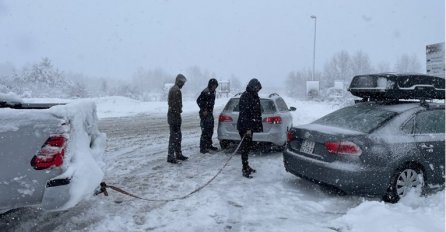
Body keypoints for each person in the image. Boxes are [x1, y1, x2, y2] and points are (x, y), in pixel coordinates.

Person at [237, 78, 263, 178]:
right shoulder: (246, 96)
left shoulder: (253, 95)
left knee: (247, 147)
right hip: (245, 127)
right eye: (256, 87)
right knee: (245, 148)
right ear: (252, 86)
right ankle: (244, 168)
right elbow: (244, 113)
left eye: (258, 88)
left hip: (250, 126)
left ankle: (246, 165)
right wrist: (247, 128)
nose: (258, 89)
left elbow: (255, 111)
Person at [167, 74, 188, 164]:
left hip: (173, 115)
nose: (183, 85)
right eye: (182, 83)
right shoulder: (176, 91)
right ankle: (171, 156)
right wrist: (179, 111)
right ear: (179, 81)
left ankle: (177, 154)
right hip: (174, 116)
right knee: (175, 136)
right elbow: (175, 105)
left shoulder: (174, 89)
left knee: (177, 136)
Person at [197, 78, 219, 154]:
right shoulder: (205, 92)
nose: (215, 87)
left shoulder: (213, 92)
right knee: (205, 130)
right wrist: (204, 109)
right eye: (214, 85)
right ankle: (202, 148)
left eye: (216, 86)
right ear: (211, 85)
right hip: (205, 114)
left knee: (210, 129)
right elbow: (198, 101)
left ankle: (209, 145)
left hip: (210, 113)